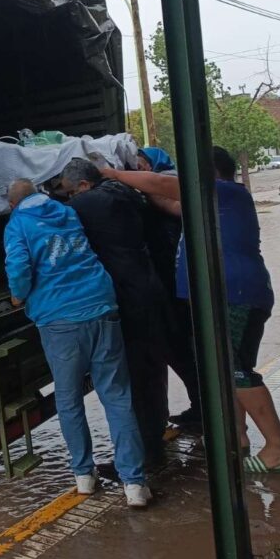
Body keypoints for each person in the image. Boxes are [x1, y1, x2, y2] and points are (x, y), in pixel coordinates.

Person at [102, 146, 280, 475]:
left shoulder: (226, 192)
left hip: (234, 296)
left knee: (237, 371)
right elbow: (168, 201)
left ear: (207, 173)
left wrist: (114, 175)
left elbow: (160, 185)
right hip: (225, 297)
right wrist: (140, 193)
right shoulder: (209, 203)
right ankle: (235, 438)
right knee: (226, 372)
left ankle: (279, 446)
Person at [4, 178, 152, 507]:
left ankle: (85, 477)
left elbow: (18, 269)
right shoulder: (66, 212)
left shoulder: (18, 224)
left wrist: (18, 296)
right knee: (117, 396)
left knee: (69, 399)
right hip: (102, 305)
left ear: (12, 205)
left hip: (60, 319)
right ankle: (135, 485)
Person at [59, 159, 170, 465]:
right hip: (148, 284)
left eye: (70, 193)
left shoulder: (87, 204)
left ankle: (145, 456)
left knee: (132, 378)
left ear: (83, 186)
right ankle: (154, 438)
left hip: (126, 295)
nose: (70, 199)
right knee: (152, 370)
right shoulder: (126, 193)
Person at [137, 147, 202, 427]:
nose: (137, 170)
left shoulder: (168, 188)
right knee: (183, 351)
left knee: (181, 350)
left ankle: (202, 410)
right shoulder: (166, 189)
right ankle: (201, 407)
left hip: (175, 289)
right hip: (177, 288)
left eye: (141, 165)